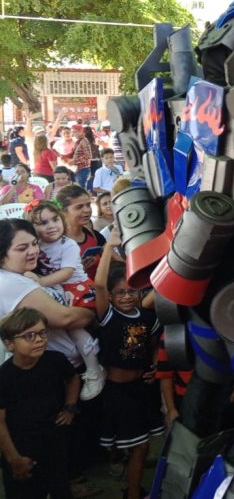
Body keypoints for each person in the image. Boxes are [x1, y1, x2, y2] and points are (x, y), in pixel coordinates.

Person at [93, 231, 163, 499]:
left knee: (140, 446)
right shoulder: (108, 316)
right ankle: (133, 493)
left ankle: (131, 489)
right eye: (119, 293)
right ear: (110, 297)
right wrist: (109, 247)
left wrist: (156, 364)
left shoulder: (145, 316)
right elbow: (99, 284)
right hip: (118, 393)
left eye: (131, 291)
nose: (126, 297)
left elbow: (155, 342)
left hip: (141, 389)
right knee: (138, 447)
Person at [24, 201, 105, 400]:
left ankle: (95, 369)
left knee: (75, 329)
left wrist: (40, 282)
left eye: (55, 219)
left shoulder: (67, 244)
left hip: (76, 289)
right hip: (58, 289)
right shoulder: (38, 245)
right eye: (42, 223)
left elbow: (67, 272)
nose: (51, 226)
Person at [0, 308, 80, 499]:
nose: (39, 339)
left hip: (54, 444)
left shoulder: (55, 360)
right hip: (22, 449)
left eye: (42, 333)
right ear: (10, 344)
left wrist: (70, 406)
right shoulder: (4, 377)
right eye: (29, 336)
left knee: (60, 489)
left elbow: (73, 378)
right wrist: (14, 459)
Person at [56, 185, 105, 281]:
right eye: (79, 207)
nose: (87, 210)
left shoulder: (94, 235)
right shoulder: (55, 242)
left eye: (88, 205)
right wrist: (78, 270)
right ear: (63, 211)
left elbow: (115, 262)